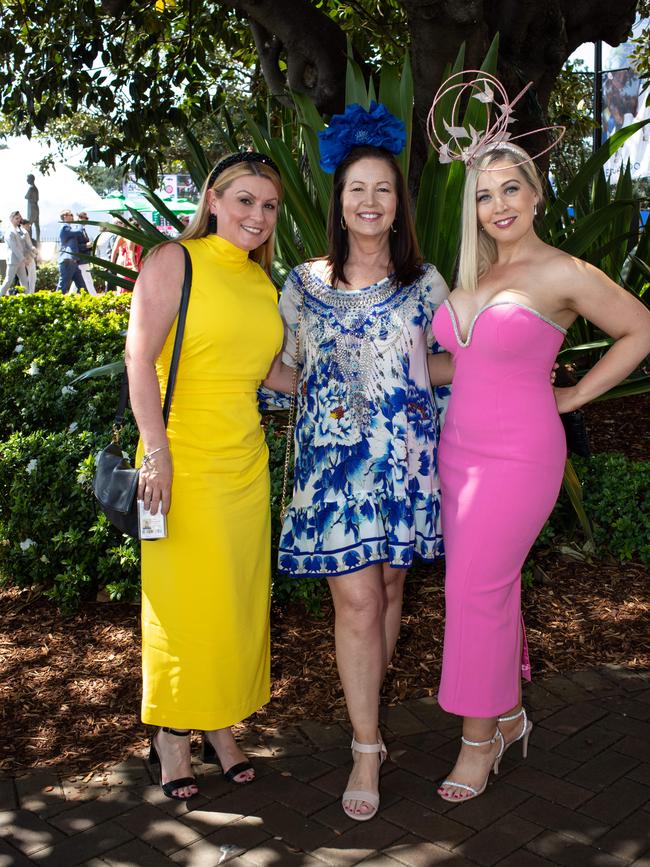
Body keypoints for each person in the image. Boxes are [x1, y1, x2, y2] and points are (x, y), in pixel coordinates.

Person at [426, 73, 650, 803]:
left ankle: (477, 739)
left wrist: (576, 394)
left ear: (537, 194)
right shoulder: (475, 275)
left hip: (519, 455)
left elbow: (640, 328)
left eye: (510, 189)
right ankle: (512, 713)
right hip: (455, 454)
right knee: (489, 590)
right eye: (484, 194)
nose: (497, 205)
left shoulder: (562, 271)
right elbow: (459, 363)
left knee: (473, 591)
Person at [262, 102, 450, 821]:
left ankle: (372, 704)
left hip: (405, 465)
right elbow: (279, 369)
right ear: (338, 204)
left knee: (392, 588)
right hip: (333, 474)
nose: (370, 202)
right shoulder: (303, 285)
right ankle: (366, 745)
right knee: (358, 600)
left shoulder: (426, 283)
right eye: (356, 190)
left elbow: (449, 366)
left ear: (398, 204)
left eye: (383, 190)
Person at [124, 151, 284, 801]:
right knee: (185, 610)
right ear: (213, 200)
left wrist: (343, 382)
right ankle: (170, 736)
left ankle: (220, 726)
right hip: (179, 463)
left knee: (236, 607)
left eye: (269, 205)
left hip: (245, 465)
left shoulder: (260, 282)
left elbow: (268, 372)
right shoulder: (174, 260)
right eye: (245, 200)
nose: (258, 215)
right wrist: (156, 453)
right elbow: (138, 356)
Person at [56, 209, 88, 294]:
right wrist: (80, 222)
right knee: (63, 285)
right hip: (67, 261)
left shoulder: (69, 228)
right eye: (71, 215)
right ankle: (55, 302)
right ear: (65, 217)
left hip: (73, 261)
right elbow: (79, 232)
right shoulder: (65, 228)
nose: (73, 217)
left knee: (81, 286)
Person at [0, 211, 29, 297]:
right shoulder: (9, 232)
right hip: (13, 260)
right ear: (11, 219)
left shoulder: (19, 230)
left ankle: (28, 298)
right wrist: (23, 258)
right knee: (8, 280)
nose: (18, 220)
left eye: (19, 218)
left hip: (20, 261)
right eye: (16, 218)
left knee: (24, 281)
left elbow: (22, 245)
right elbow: (14, 248)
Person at [111, 220, 142, 292]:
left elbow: (114, 250)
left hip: (133, 261)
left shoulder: (134, 236)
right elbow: (130, 252)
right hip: (127, 262)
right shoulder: (130, 236)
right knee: (125, 283)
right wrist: (112, 264)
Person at [75, 212, 98, 295]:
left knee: (79, 279)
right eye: (81, 217)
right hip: (82, 259)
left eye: (85, 218)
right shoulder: (78, 230)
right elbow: (75, 246)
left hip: (83, 258)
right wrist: (86, 246)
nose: (84, 219)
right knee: (88, 279)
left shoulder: (82, 230)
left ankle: (71, 295)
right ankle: (94, 296)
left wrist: (89, 246)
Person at [20, 220, 37, 293]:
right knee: (31, 277)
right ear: (23, 225)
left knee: (29, 277)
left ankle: (28, 293)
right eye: (28, 225)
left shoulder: (22, 233)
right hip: (27, 257)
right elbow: (26, 247)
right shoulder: (23, 233)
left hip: (26, 257)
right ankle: (30, 293)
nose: (29, 226)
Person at [25, 174, 40, 244]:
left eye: (28, 178)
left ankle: (30, 240)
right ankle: (38, 239)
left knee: (29, 224)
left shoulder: (31, 189)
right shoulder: (36, 189)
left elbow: (26, 196)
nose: (27, 180)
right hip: (36, 207)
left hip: (32, 208)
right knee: (37, 225)